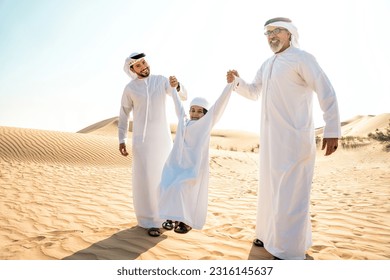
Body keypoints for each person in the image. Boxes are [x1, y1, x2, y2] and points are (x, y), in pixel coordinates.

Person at [226, 17, 341, 260]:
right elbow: (254, 91)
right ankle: (268, 236)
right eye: (267, 32)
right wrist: (237, 82)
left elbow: (325, 90)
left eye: (277, 31)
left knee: (291, 194)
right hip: (270, 141)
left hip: (294, 140)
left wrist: (332, 128)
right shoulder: (267, 63)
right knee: (270, 189)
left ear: (290, 33)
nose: (271, 36)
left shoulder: (303, 58)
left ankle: (289, 250)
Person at [118, 52, 187, 237]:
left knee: (165, 177)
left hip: (163, 139)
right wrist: (121, 139)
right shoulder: (130, 88)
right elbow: (124, 115)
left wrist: (177, 85)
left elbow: (182, 96)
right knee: (145, 180)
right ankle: (149, 221)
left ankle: (166, 216)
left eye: (144, 62)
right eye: (138, 65)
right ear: (132, 70)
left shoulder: (161, 81)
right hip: (141, 141)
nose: (143, 67)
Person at [158, 81, 235, 234]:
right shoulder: (183, 122)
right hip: (175, 165)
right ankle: (169, 218)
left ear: (205, 114)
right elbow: (178, 105)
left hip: (193, 167)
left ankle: (185, 222)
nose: (195, 113)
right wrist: (173, 89)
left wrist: (230, 86)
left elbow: (218, 106)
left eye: (200, 111)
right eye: (192, 110)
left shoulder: (206, 124)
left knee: (181, 188)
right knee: (166, 186)